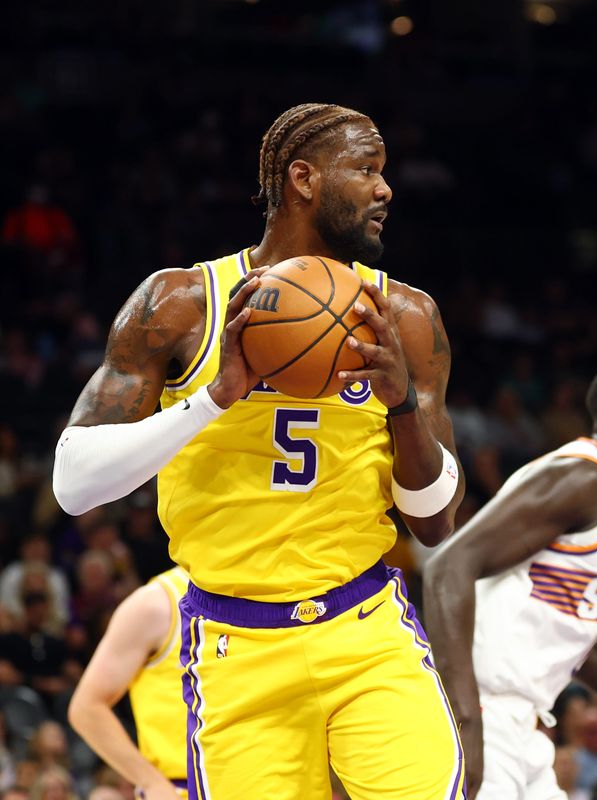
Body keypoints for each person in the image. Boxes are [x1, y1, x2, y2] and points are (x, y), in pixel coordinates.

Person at [53, 102, 465, 799]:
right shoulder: (183, 303)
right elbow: (74, 485)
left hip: (366, 633)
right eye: (366, 169)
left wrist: (401, 408)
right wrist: (214, 397)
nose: (385, 189)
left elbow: (436, 524)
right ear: (303, 178)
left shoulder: (404, 317)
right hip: (232, 643)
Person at [423, 365, 597, 800]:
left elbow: (570, 636)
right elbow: (448, 567)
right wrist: (466, 721)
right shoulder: (583, 478)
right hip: (480, 709)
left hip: (525, 725)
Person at [68, 567, 189, 800]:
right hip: (184, 788)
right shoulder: (156, 603)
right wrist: (152, 783)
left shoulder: (275, 587)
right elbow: (86, 708)